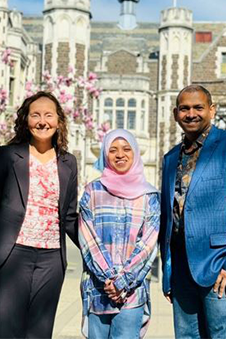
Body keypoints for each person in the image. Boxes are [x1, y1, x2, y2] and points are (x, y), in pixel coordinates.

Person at [0, 91, 79, 339]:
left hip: (52, 259)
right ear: (26, 120)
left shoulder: (68, 162)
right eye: (35, 115)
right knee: (7, 329)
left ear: (59, 121)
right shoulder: (7, 156)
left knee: (40, 333)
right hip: (13, 254)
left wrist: (100, 251)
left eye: (48, 115)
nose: (42, 121)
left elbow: (69, 217)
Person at [78, 129, 160, 339]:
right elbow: (88, 239)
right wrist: (110, 280)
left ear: (135, 154)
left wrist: (122, 282)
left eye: (126, 149)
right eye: (112, 150)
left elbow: (149, 244)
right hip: (98, 290)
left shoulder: (149, 195)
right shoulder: (92, 191)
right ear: (105, 154)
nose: (119, 155)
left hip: (132, 294)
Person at [159, 84, 226, 338]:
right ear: (176, 113)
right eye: (184, 108)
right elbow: (167, 217)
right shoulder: (170, 158)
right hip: (181, 268)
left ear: (211, 110)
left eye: (198, 107)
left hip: (218, 267)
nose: (191, 114)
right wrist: (168, 271)